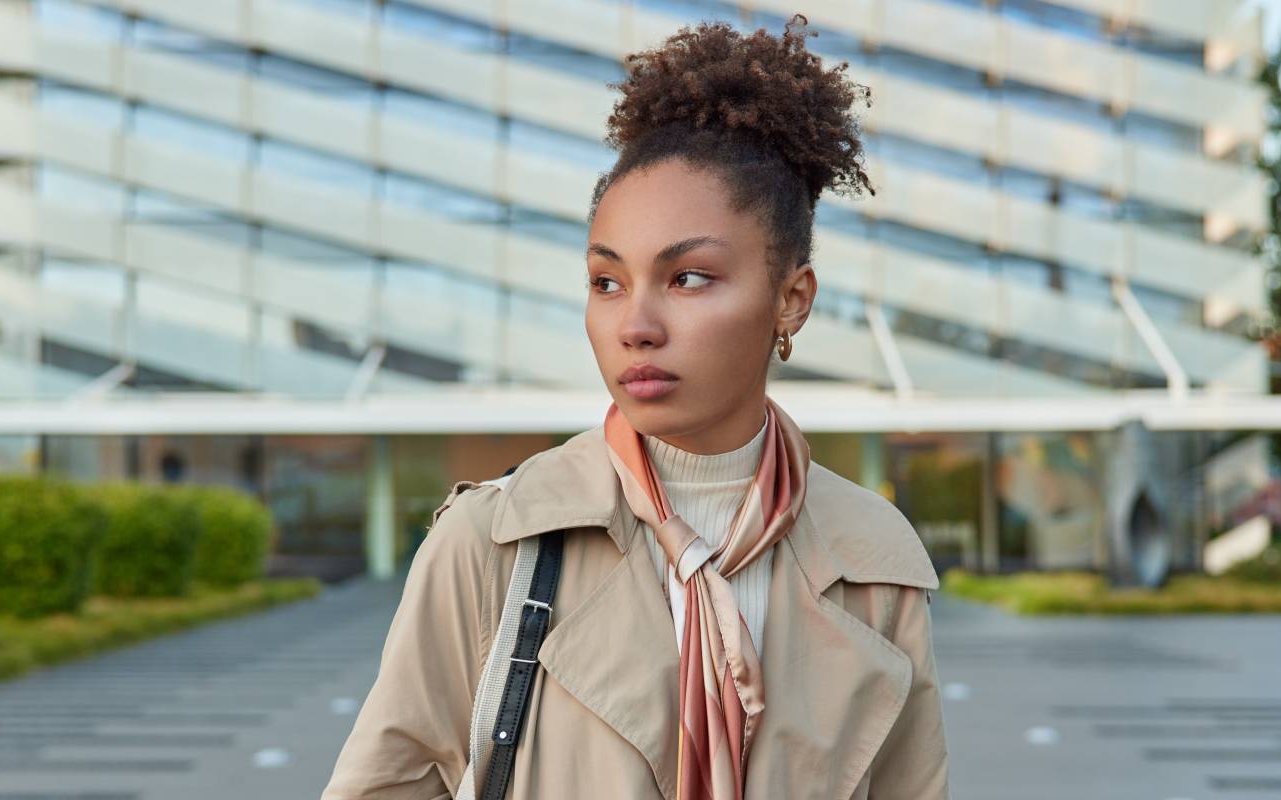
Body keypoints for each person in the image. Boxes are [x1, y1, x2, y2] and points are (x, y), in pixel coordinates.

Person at [321, 13, 950, 800]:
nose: (635, 326)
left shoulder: (873, 560)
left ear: (791, 300)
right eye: (606, 282)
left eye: (688, 278)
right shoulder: (494, 542)